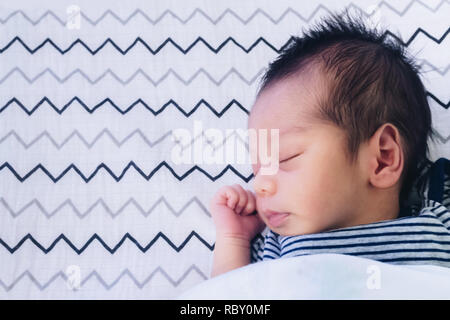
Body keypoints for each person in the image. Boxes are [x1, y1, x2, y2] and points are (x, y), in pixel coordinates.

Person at [209, 9, 450, 278]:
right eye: (257, 169)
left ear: (382, 158)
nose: (260, 185)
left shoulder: (437, 224)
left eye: (285, 158)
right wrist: (234, 238)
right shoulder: (275, 248)